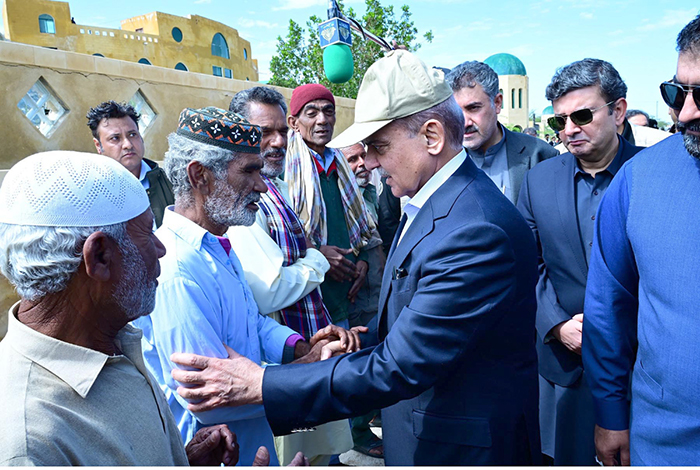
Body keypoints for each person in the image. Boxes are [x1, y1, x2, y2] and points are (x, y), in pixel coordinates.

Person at [167, 50, 541, 466]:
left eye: (379, 146)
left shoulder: (474, 228)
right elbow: (414, 324)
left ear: (432, 136)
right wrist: (353, 343)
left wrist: (264, 383)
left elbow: (401, 365)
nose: (373, 163)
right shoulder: (434, 204)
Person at [131, 107, 360, 466]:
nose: (262, 184)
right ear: (199, 176)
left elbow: (253, 322)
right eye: (249, 171)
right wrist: (306, 374)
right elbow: (209, 395)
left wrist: (299, 349)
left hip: (252, 441)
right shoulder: (176, 268)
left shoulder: (219, 243)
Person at [0, 151, 237, 466]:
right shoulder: (30, 443)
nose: (160, 249)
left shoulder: (110, 340)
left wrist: (182, 459)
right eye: (146, 234)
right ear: (99, 257)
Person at [583, 15, 700, 465]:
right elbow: (607, 307)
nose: (686, 112)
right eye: (676, 92)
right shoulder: (638, 181)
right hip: (664, 447)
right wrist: (611, 414)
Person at [516, 58, 642, 465]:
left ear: (618, 111)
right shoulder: (539, 180)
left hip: (641, 370)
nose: (570, 129)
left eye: (583, 115)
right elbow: (524, 264)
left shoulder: (650, 176)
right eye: (559, 120)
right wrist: (555, 323)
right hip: (563, 370)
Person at [226, 86, 354, 465]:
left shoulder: (276, 187)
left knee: (317, 452)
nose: (278, 141)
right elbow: (269, 290)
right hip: (277, 360)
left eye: (283, 131)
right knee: (292, 454)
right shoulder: (241, 200)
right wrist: (317, 261)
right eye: (265, 132)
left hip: (298, 345)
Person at [284, 83, 375, 328]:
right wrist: (318, 253)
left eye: (328, 111)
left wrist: (362, 260)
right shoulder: (285, 170)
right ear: (294, 122)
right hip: (312, 293)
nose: (322, 120)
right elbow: (281, 232)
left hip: (349, 290)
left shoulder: (340, 164)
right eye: (311, 113)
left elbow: (358, 221)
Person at [445, 61, 558, 205]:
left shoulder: (539, 155)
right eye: (456, 111)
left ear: (497, 103)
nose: (465, 122)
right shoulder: (443, 160)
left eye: (473, 108)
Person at [339, 142, 385, 459]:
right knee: (358, 358)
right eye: (351, 159)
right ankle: (356, 432)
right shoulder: (333, 196)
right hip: (353, 296)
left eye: (362, 156)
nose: (361, 164)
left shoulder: (371, 192)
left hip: (377, 290)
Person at [86, 101, 174, 228]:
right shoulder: (92, 193)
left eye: (132, 135)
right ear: (98, 146)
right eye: (115, 138)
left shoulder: (172, 182)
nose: (128, 144)